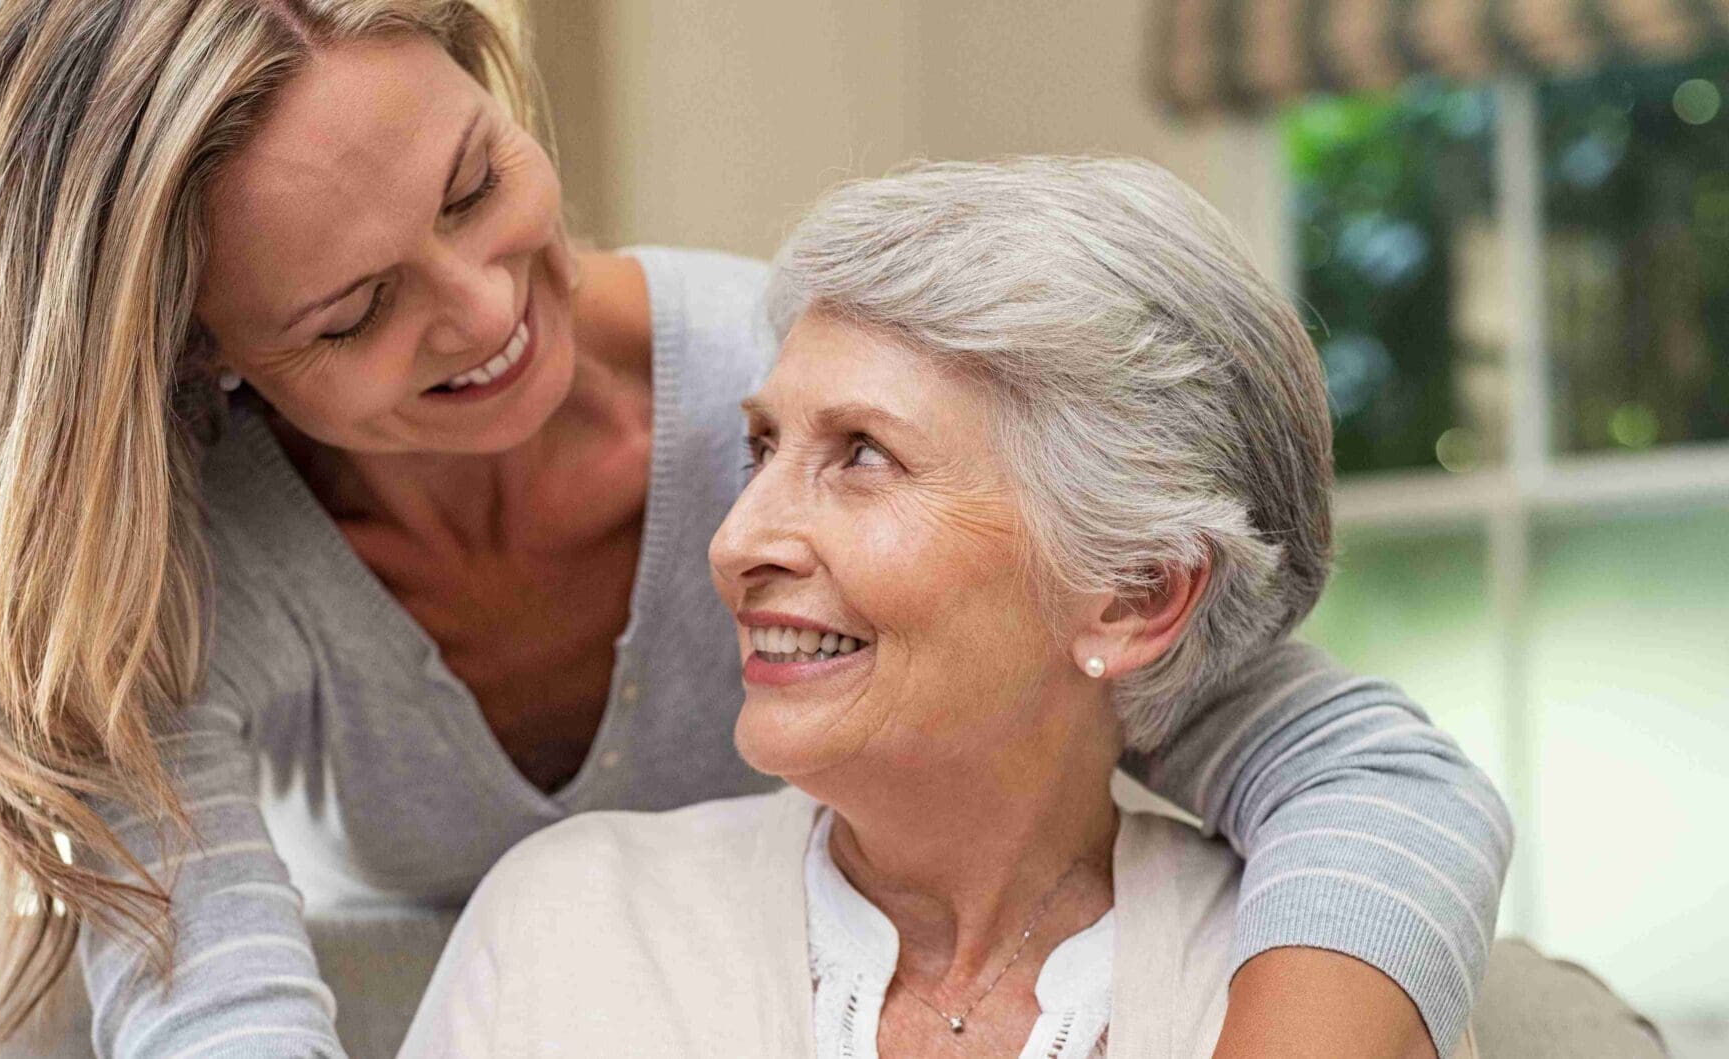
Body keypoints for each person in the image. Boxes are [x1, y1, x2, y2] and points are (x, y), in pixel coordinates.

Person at [0, 3, 1509, 1056]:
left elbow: (1355, 762)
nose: (487, 312)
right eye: (352, 313)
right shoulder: (172, 578)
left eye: (476, 187)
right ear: (205, 351)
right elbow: (217, 1007)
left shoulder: (785, 385)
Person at [398, 156, 1487, 1059]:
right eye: (761, 447)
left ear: (1136, 593)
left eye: (861, 456)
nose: (732, 544)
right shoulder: (569, 926)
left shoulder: (1297, 984)